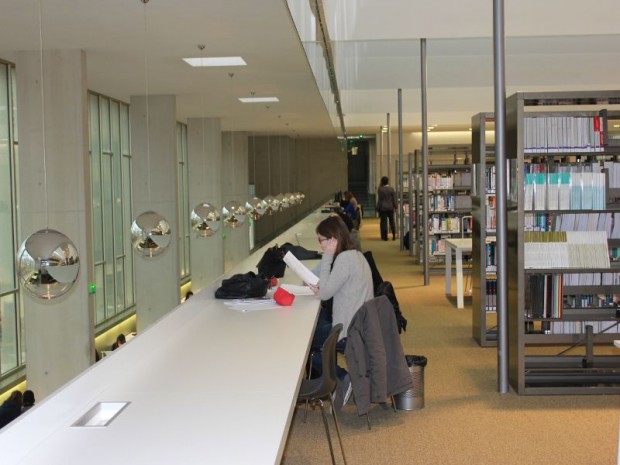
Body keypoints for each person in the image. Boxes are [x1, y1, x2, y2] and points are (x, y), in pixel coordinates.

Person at [309, 215, 374, 411]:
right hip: (359, 325)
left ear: (332, 240)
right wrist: (324, 289)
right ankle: (339, 381)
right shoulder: (356, 255)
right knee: (316, 333)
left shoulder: (344, 259)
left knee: (307, 346)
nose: (320, 245)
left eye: (321, 240)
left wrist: (327, 256)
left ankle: (343, 378)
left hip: (348, 329)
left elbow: (326, 293)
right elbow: (331, 289)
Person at [377, 176, 397, 241]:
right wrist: (395, 206)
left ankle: (385, 237)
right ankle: (394, 235)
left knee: (384, 222)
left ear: (382, 182)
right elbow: (394, 198)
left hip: (383, 208)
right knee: (392, 221)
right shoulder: (391, 189)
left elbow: (380, 200)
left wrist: (377, 207)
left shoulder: (380, 189)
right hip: (390, 207)